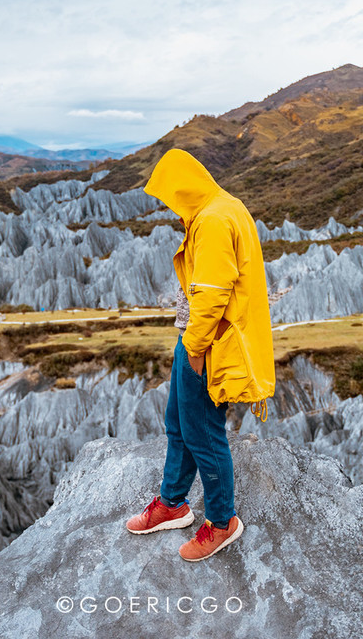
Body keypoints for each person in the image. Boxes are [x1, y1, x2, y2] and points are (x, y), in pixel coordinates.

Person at [125, 148, 275, 562]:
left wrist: (193, 348)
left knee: (204, 433)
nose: (171, 211)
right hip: (196, 338)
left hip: (207, 344)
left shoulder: (211, 220)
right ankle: (173, 502)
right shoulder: (223, 207)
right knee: (179, 423)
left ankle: (223, 521)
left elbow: (212, 295)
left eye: (172, 201)